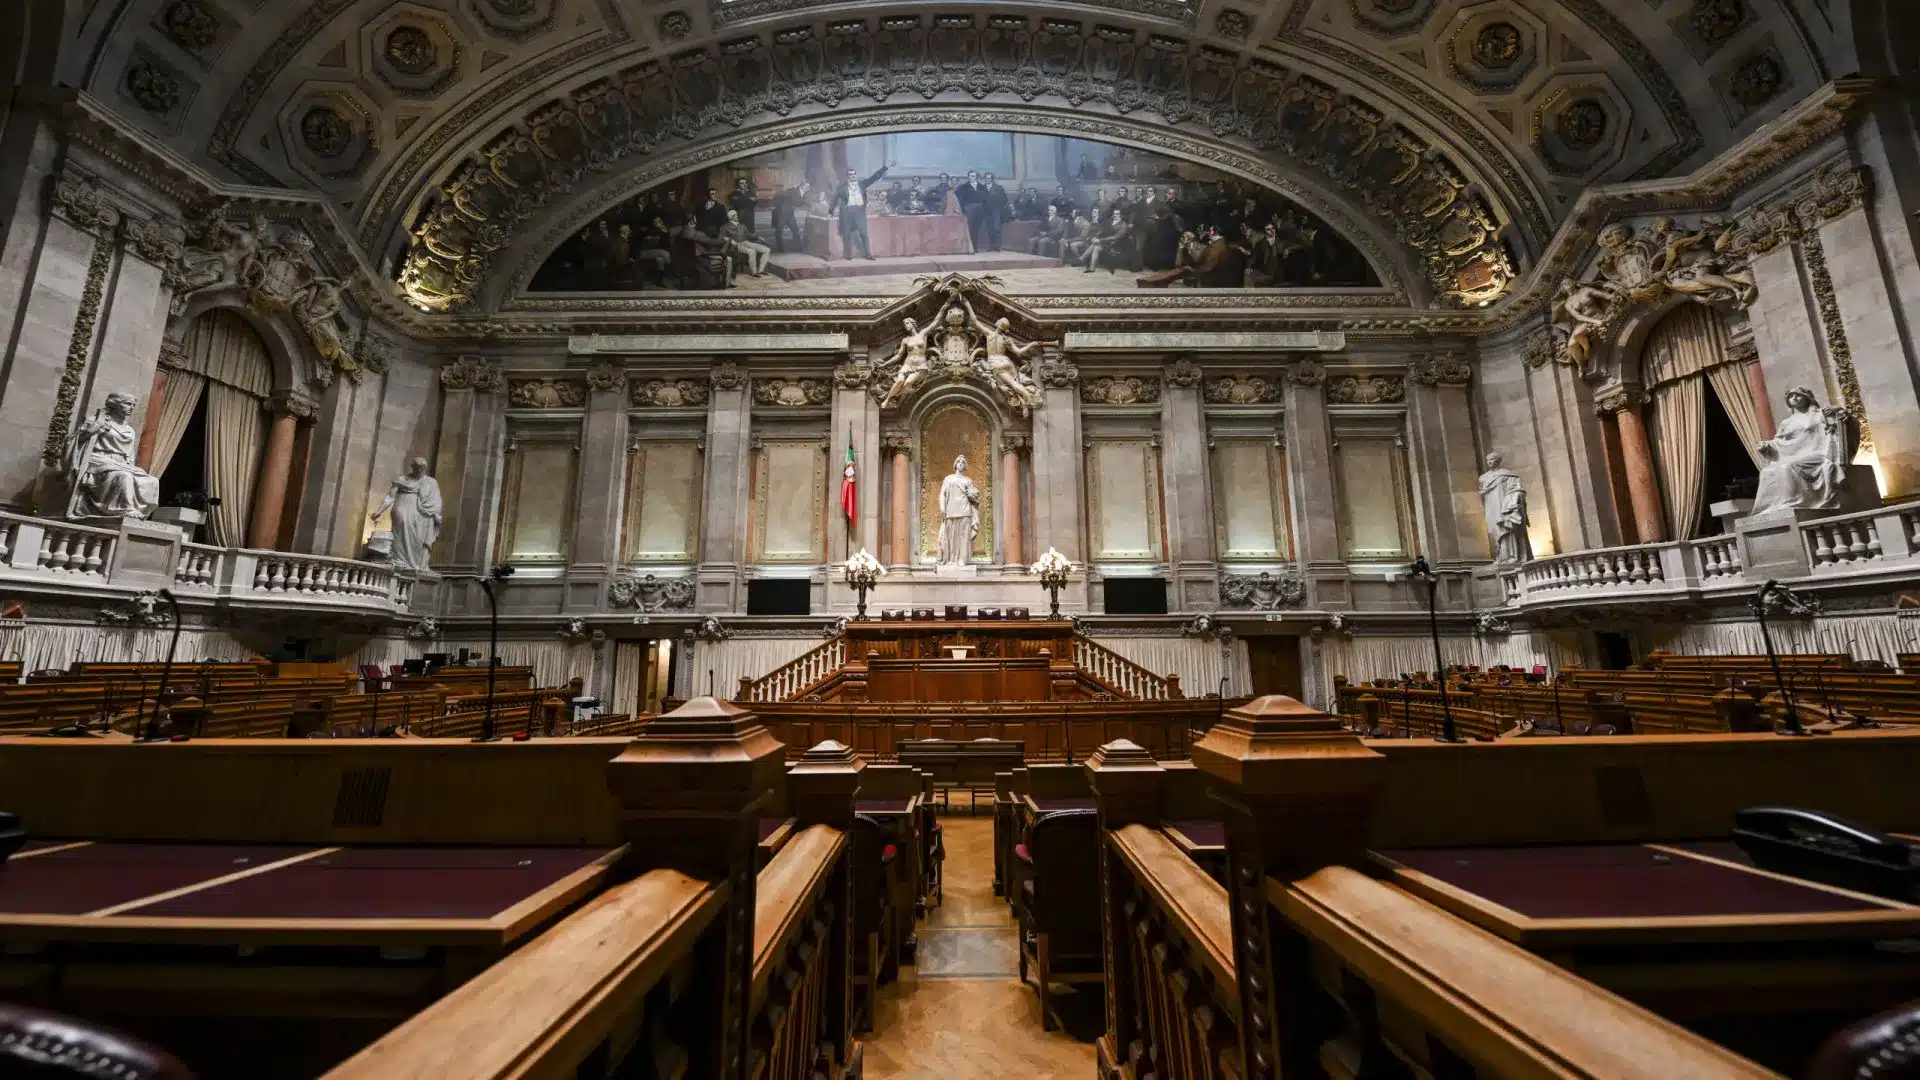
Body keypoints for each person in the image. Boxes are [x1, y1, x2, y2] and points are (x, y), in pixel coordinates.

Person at [1751, 387, 1851, 516]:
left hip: (1817, 453)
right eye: (1791, 396)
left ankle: (1791, 501)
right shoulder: (1786, 423)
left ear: (1808, 398)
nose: (1794, 398)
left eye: (1799, 395)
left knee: (1789, 466)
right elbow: (1778, 442)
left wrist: (1842, 413)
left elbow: (1842, 421)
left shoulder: (1820, 415)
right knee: (1767, 472)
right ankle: (1770, 507)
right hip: (1796, 455)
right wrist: (1767, 446)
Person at [62, 392, 159, 521]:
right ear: (115, 404)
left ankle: (138, 511)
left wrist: (128, 465)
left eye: (133, 405)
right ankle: (125, 508)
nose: (131, 408)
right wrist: (90, 431)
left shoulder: (130, 430)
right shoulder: (96, 420)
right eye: (127, 404)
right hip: (98, 460)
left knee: (152, 481)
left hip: (120, 463)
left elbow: (129, 454)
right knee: (124, 476)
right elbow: (72, 441)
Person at [370, 457, 444, 573]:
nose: (419, 471)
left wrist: (435, 515)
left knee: (418, 539)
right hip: (402, 508)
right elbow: (390, 497)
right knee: (402, 529)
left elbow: (436, 502)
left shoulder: (431, 482)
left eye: (422, 469)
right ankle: (399, 561)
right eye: (417, 468)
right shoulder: (402, 479)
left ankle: (415, 565)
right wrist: (379, 512)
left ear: (425, 468)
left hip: (422, 515)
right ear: (413, 467)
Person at [1478, 452, 1533, 564]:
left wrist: (1514, 499)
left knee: (1508, 529)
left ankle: (1512, 556)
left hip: (1504, 506)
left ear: (1498, 461)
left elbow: (1517, 490)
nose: (1490, 462)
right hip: (1491, 507)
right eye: (1488, 460)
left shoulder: (1508, 475)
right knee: (1493, 530)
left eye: (1492, 459)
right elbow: (1482, 495)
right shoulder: (1483, 478)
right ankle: (1500, 556)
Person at [831, 164, 890, 260]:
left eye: (854, 174)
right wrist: (831, 211)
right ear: (847, 176)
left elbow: (874, 178)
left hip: (859, 211)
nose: (853, 176)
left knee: (864, 234)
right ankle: (848, 255)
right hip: (847, 211)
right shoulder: (841, 187)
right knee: (847, 234)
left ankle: (868, 254)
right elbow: (835, 199)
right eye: (850, 174)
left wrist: (884, 168)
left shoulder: (862, 184)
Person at [936, 455, 981, 567]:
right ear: (955, 464)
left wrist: (973, 494)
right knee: (951, 536)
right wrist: (942, 507)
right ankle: (951, 559)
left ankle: (962, 559)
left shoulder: (968, 480)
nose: (960, 463)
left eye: (963, 462)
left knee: (964, 536)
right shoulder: (948, 479)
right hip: (951, 510)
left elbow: (973, 495)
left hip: (965, 510)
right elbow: (943, 493)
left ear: (965, 466)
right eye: (958, 462)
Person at [720, 209, 770, 276]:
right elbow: (721, 237)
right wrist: (729, 239)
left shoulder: (742, 225)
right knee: (752, 252)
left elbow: (749, 235)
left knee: (767, 250)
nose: (737, 216)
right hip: (737, 245)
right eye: (734, 215)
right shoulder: (725, 227)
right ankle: (754, 272)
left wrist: (758, 237)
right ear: (730, 217)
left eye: (737, 215)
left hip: (747, 242)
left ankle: (761, 270)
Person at [771, 179, 810, 253]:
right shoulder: (792, 191)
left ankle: (798, 248)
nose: (808, 188)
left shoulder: (803, 194)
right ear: (802, 185)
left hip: (790, 214)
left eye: (809, 186)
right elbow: (779, 194)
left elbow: (805, 203)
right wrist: (776, 205)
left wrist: (811, 208)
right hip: (781, 214)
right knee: (779, 231)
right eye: (807, 186)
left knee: (796, 231)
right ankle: (780, 249)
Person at [956, 170, 986, 251]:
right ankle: (970, 247)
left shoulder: (982, 187)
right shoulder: (963, 187)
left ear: (977, 177)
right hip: (969, 209)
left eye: (973, 176)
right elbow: (960, 199)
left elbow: (985, 199)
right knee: (970, 228)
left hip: (980, 210)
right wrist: (964, 208)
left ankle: (975, 247)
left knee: (977, 228)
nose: (971, 177)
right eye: (969, 176)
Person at [981, 173, 1010, 251]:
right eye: (986, 178)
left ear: (992, 179)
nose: (988, 180)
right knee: (989, 229)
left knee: (997, 229)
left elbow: (1005, 200)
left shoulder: (998, 188)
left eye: (989, 178)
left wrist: (997, 205)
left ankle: (997, 246)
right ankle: (991, 246)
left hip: (996, 211)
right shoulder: (982, 188)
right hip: (986, 212)